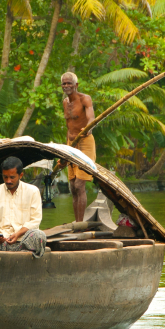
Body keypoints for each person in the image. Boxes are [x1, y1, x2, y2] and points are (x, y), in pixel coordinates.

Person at [0, 156, 46, 257]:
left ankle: (22, 255)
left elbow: (35, 221)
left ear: (20, 175)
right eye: (5, 177)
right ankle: (22, 254)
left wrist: (17, 234)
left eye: (12, 177)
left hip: (24, 239)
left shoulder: (33, 191)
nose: (8, 181)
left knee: (40, 236)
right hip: (2, 242)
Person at [60, 71, 95, 222]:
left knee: (80, 185)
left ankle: (80, 225)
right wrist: (65, 148)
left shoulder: (85, 99)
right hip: (71, 145)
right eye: (64, 83)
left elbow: (91, 118)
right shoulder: (65, 102)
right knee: (73, 186)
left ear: (76, 85)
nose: (66, 86)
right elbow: (69, 126)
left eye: (69, 83)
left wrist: (88, 128)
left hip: (85, 143)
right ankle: (77, 222)